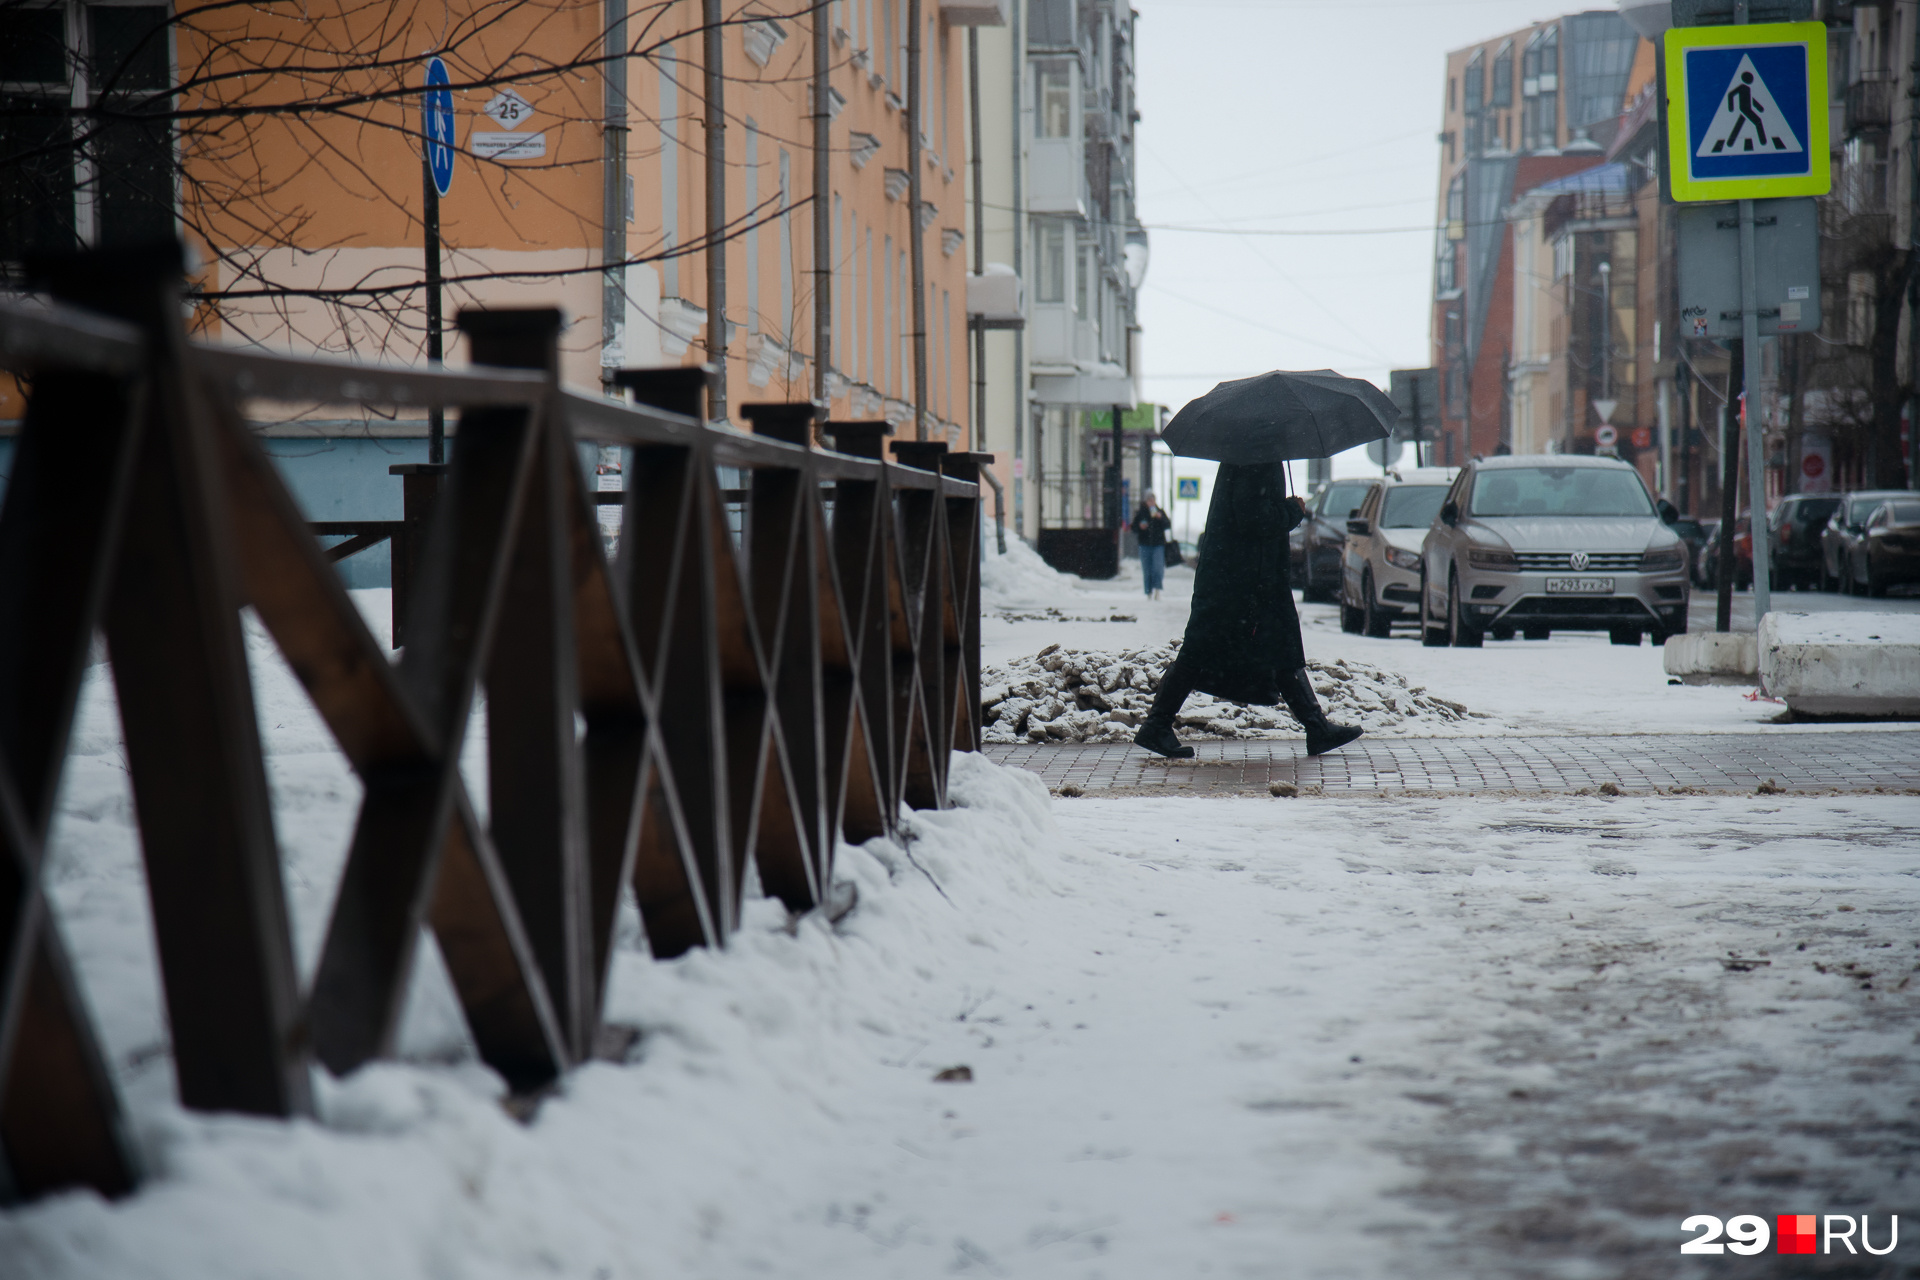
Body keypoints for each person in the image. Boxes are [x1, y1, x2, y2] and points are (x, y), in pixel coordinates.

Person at [1133, 462, 1362, 760]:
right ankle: (1156, 724)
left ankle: (1316, 727)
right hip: (1241, 580)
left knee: (1277, 649)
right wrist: (1291, 511)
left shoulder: (1248, 454)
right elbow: (1253, 518)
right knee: (1202, 650)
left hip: (1241, 577)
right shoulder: (1255, 459)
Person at [1132, 492, 1173, 599]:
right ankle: (1148, 592)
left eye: (1153, 500)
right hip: (1144, 544)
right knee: (1147, 570)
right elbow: (1133, 527)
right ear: (1146, 502)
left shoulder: (1159, 512)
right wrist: (1140, 526)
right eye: (1149, 500)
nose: (1151, 502)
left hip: (1158, 545)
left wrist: (1161, 518)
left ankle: (1157, 590)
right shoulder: (1141, 513)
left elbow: (1168, 525)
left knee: (1158, 568)